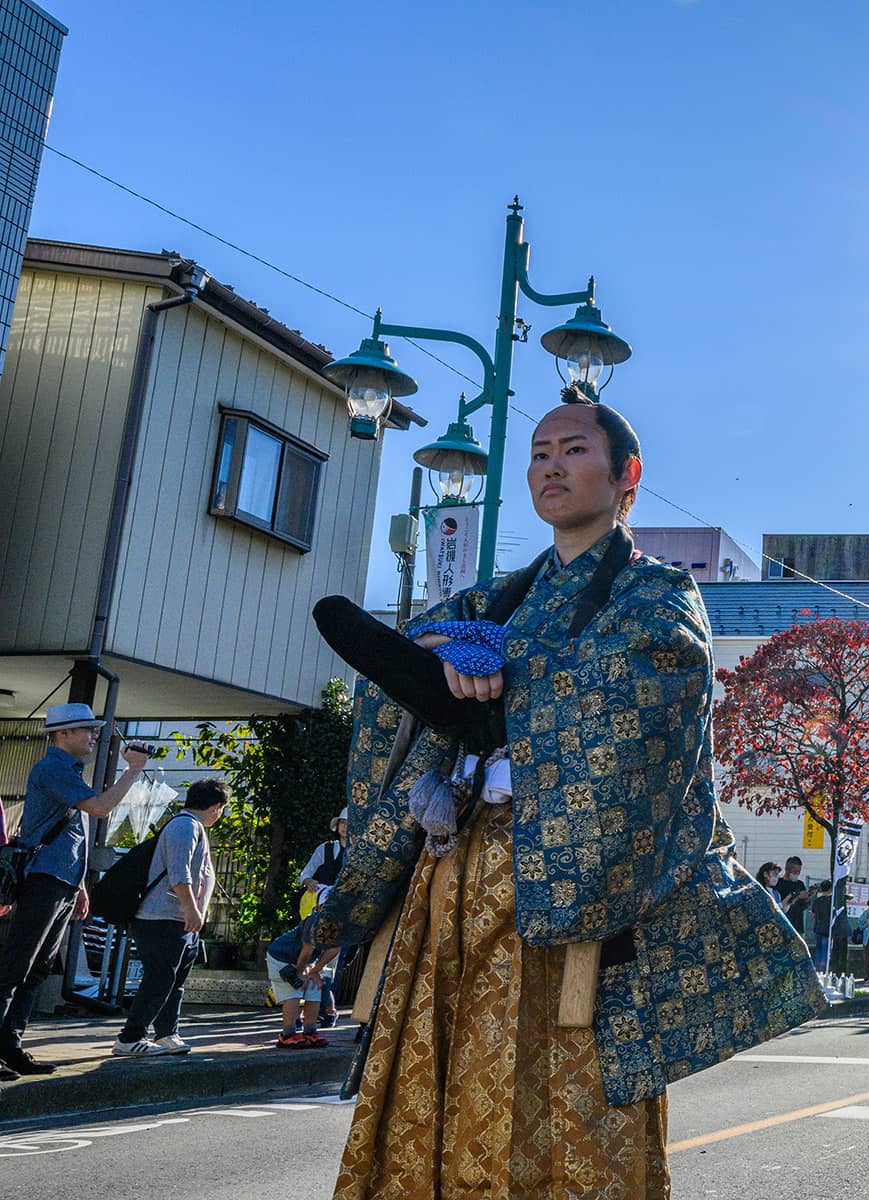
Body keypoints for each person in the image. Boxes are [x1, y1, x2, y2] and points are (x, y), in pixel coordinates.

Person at [311, 395, 823, 1198]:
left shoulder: (656, 593)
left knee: (571, 1104)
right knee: (435, 1083)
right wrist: (447, 653)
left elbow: (649, 678)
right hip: (461, 875)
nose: (550, 464)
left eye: (573, 449)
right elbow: (412, 656)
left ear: (628, 478)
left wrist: (505, 662)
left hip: (574, 891)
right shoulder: (496, 597)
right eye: (540, 451)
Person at [0, 704, 150, 1080]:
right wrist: (132, 770)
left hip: (61, 882)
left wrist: (80, 885)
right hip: (43, 881)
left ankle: (10, 1047)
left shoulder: (69, 772)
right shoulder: (52, 768)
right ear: (62, 734)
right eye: (86, 729)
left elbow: (71, 835)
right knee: (15, 969)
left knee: (35, 971)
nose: (93, 735)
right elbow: (99, 808)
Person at [111, 779, 229, 1058]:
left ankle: (166, 1033)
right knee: (160, 978)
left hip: (178, 919)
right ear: (215, 807)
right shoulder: (184, 826)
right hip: (162, 917)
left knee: (173, 980)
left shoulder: (192, 826)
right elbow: (180, 872)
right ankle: (130, 1038)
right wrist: (191, 908)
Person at [299, 808, 351, 1026]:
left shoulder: (361, 852)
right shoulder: (325, 849)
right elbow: (305, 874)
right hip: (317, 909)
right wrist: (309, 882)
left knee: (332, 960)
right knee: (311, 957)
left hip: (343, 912)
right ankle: (318, 1010)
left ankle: (326, 1009)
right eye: (342, 823)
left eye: (349, 823)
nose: (345, 827)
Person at [267, 910, 341, 1048]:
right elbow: (306, 951)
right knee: (293, 992)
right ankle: (287, 1034)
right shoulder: (314, 921)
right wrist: (300, 974)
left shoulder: (343, 924)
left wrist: (314, 972)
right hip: (282, 957)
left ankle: (310, 1031)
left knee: (314, 988)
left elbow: (334, 950)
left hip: (305, 960)